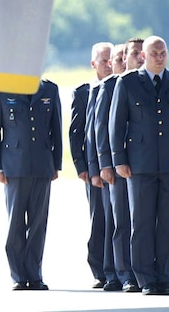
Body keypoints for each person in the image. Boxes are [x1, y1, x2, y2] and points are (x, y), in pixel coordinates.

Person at [0, 78, 63, 291]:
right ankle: (19, 275)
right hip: (14, 166)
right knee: (16, 223)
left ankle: (35, 273)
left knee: (38, 223)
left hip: (42, 164)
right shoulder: (1, 89)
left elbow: (56, 128)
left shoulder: (50, 89)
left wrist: (56, 163)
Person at [109, 35, 169, 295]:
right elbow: (116, 123)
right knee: (142, 223)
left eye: (163, 53)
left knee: (166, 222)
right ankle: (145, 278)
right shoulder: (128, 82)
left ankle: (165, 275)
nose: (159, 57)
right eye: (154, 53)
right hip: (139, 165)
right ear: (143, 56)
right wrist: (118, 159)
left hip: (166, 163)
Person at [95, 39, 141, 293]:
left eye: (129, 56)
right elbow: (101, 128)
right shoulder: (110, 86)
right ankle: (121, 272)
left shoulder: (142, 84)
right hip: (116, 165)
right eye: (121, 57)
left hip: (142, 164)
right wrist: (104, 164)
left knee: (141, 221)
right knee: (120, 220)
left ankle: (139, 268)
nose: (125, 61)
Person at [69, 42, 112, 289]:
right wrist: (81, 166)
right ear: (93, 63)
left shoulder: (122, 86)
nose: (108, 64)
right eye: (103, 60)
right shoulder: (84, 92)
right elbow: (76, 133)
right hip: (94, 168)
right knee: (99, 219)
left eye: (111, 59)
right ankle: (99, 269)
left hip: (116, 166)